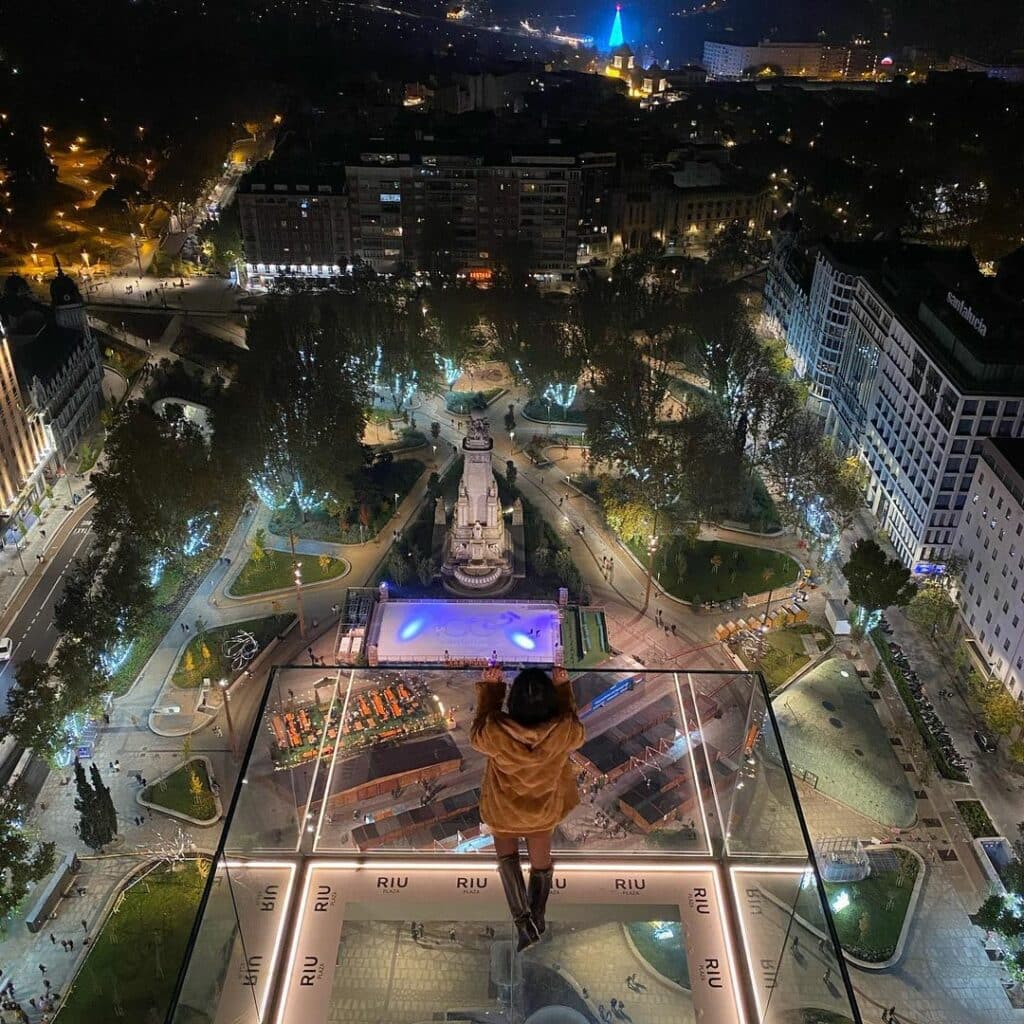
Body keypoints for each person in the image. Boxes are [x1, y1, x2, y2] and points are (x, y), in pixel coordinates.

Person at [470, 665, 585, 951]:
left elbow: (476, 735)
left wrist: (491, 690)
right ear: (550, 703)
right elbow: (576, 728)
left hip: (503, 811)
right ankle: (535, 917)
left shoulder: (496, 731)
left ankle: (526, 924)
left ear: (513, 703)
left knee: (507, 860)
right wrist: (563, 689)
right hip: (542, 812)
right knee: (540, 864)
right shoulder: (564, 731)